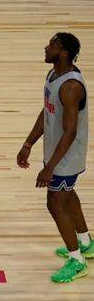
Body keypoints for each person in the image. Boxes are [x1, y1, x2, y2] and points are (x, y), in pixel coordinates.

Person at [18, 32, 90, 283]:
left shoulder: (71, 87)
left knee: (55, 202)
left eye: (53, 45)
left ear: (64, 53)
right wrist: (28, 143)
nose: (46, 47)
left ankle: (77, 261)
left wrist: (50, 167)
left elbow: (70, 132)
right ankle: (85, 243)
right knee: (67, 196)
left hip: (67, 155)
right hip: (57, 152)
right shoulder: (54, 76)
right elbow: (46, 110)